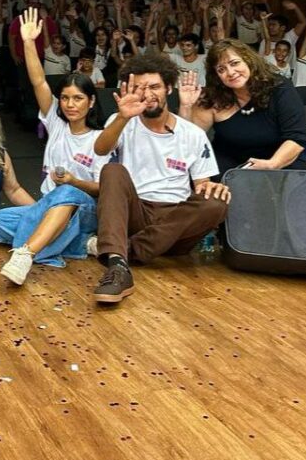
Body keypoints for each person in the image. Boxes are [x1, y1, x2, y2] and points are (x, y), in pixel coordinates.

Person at [91, 51, 231, 305]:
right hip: (138, 212)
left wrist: (212, 188)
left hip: (176, 223)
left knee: (217, 202)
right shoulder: (123, 122)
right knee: (112, 171)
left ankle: (127, 251)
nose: (147, 93)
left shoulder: (192, 134)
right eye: (140, 88)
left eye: (155, 86)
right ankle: (117, 266)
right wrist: (122, 116)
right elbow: (100, 149)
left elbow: (202, 185)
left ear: (168, 87)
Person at [0, 9, 108, 286]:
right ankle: (81, 245)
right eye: (65, 98)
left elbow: (103, 188)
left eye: (78, 98)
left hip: (84, 209)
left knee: (66, 190)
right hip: (47, 204)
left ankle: (25, 254)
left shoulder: (100, 138)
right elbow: (39, 81)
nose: (70, 104)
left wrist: (74, 182)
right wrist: (29, 42)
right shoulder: (56, 123)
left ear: (91, 102)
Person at [177, 39, 306, 176]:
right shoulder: (213, 97)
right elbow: (188, 142)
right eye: (221, 69)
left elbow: (297, 139)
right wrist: (186, 107)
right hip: (230, 165)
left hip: (281, 161)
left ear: (249, 61)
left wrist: (272, 164)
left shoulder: (280, 88)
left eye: (234, 63)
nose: (231, 72)